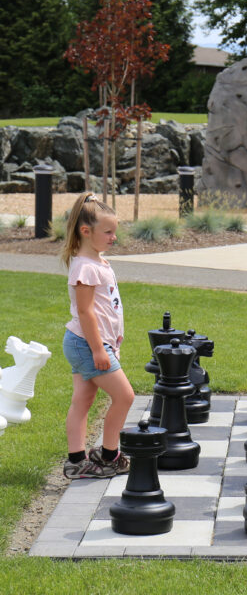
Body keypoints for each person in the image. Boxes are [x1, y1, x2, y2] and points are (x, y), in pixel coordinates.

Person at [59, 193, 134, 479]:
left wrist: (114, 339)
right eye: (108, 232)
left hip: (89, 343)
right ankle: (109, 456)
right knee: (125, 396)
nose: (114, 237)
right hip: (87, 344)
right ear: (85, 231)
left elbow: (108, 306)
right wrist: (99, 350)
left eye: (115, 231)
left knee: (83, 399)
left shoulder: (97, 262)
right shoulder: (85, 267)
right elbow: (86, 312)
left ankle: (77, 461)